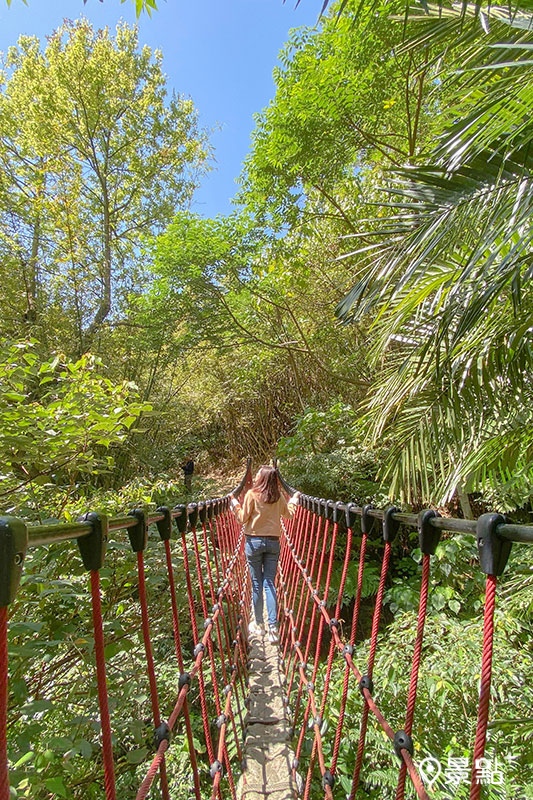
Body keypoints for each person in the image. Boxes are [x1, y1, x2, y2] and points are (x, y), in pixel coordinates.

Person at [230, 466, 299, 643]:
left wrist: (235, 504)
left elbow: (242, 518)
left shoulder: (252, 494)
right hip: (273, 543)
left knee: (256, 584)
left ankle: (259, 625)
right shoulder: (278, 496)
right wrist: (295, 500)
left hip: (253, 543)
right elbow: (289, 515)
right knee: (269, 583)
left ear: (261, 478)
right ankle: (273, 629)